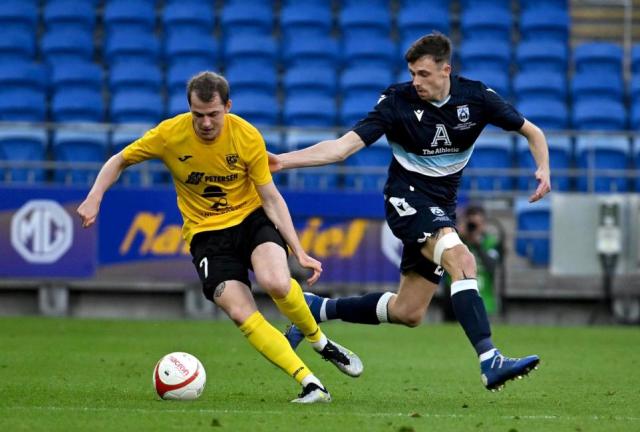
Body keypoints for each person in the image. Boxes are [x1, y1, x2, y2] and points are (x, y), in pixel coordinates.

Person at [270, 33, 550, 391]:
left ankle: (317, 309)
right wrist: (282, 161)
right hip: (406, 200)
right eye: (412, 74)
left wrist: (543, 168)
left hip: (441, 208)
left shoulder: (477, 97)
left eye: (423, 74)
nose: (415, 81)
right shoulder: (396, 101)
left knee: (409, 311)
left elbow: (533, 132)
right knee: (462, 259)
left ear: (446, 70)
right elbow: (342, 149)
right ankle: (489, 358)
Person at [76, 71, 363, 404]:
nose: (206, 123)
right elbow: (120, 159)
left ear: (227, 106)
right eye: (198, 115)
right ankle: (311, 383)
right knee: (241, 312)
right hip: (206, 235)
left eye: (213, 114)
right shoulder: (169, 134)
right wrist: (95, 195)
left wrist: (299, 250)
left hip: (250, 220)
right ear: (189, 109)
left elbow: (270, 197)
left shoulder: (246, 136)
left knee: (278, 283)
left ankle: (319, 342)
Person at [443, 204, 503, 320]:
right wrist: (458, 237)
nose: (473, 228)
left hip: (484, 302)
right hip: (454, 304)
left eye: (476, 224)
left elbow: (492, 266)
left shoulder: (491, 242)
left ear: (484, 224)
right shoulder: (455, 241)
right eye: (471, 224)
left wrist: (478, 244)